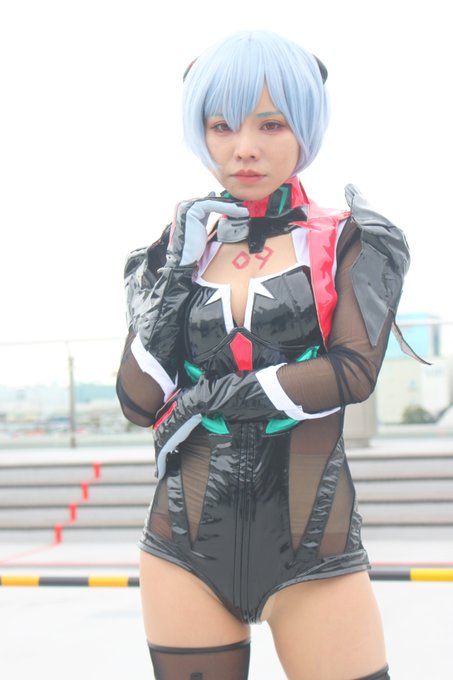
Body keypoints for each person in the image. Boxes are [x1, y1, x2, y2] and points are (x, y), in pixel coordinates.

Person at [116, 30, 410, 680]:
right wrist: (176, 271)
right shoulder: (172, 249)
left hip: (313, 553)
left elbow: (351, 373)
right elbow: (138, 400)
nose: (243, 147)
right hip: (180, 550)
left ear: (305, 125)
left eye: (271, 124)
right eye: (221, 126)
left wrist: (212, 395)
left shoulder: (351, 238)